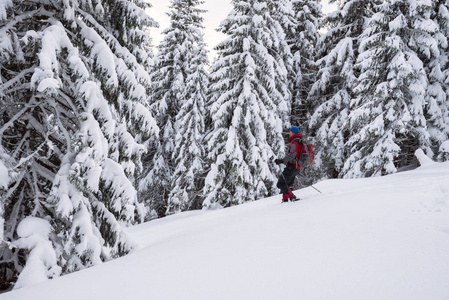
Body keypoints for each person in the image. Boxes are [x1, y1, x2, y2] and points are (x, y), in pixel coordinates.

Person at [274, 126, 305, 202]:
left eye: (290, 131)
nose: (289, 133)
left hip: (292, 166)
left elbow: (292, 155)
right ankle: (285, 199)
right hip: (296, 167)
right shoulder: (298, 141)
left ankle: (292, 196)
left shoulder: (295, 142)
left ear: (294, 132)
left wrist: (281, 161)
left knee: (280, 184)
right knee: (285, 183)